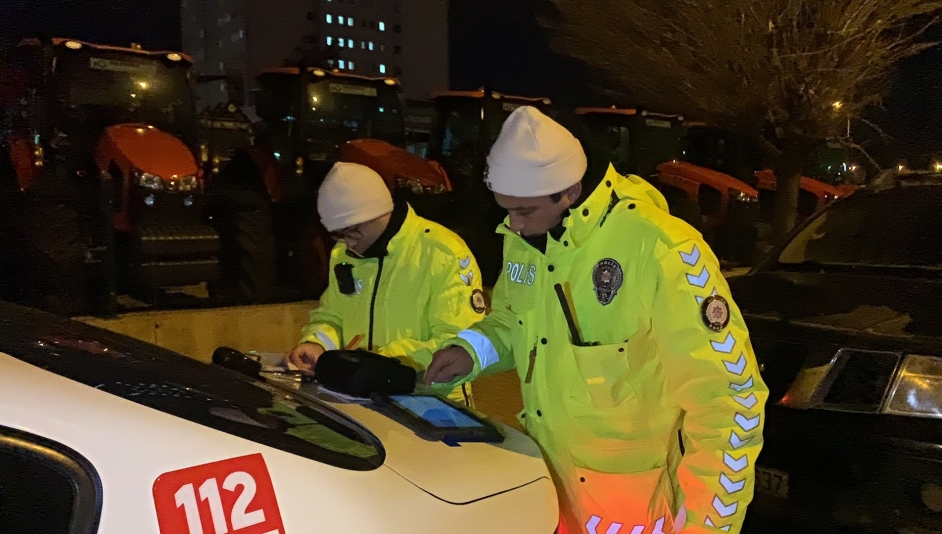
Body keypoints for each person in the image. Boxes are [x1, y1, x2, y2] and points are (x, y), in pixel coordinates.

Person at [425, 106, 767, 533]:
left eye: (524, 211)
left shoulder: (661, 248)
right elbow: (514, 322)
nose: (513, 225)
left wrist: (707, 527)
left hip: (639, 511)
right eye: (506, 210)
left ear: (569, 191)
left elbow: (729, 400)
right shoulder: (526, 237)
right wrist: (470, 351)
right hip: (551, 495)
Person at [288, 162, 486, 405]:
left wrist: (384, 362)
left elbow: (460, 341)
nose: (347, 243)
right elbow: (332, 315)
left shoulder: (443, 253)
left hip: (431, 403)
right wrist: (316, 343)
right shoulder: (344, 255)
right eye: (337, 234)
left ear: (376, 213)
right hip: (360, 397)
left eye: (351, 231)